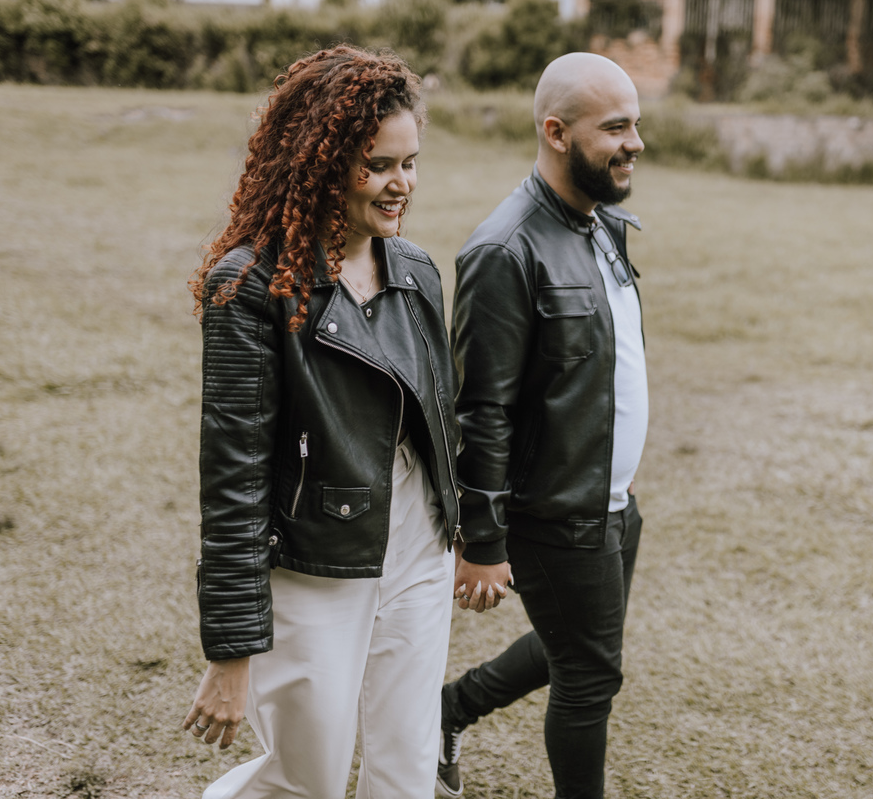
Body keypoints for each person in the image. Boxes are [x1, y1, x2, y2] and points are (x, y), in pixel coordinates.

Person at [181, 45, 489, 799]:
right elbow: (234, 480)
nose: (401, 184)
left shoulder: (416, 271)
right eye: (378, 166)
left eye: (410, 163)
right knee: (305, 780)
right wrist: (231, 649)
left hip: (417, 548)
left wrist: (470, 533)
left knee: (407, 769)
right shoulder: (249, 288)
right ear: (318, 164)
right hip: (314, 562)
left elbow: (441, 422)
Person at [438, 52, 648, 799]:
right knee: (589, 673)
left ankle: (448, 710)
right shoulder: (504, 249)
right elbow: (482, 409)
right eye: (615, 128)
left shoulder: (602, 224)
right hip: (556, 511)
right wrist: (483, 540)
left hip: (611, 498)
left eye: (636, 125)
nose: (635, 143)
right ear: (557, 133)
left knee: (581, 645)